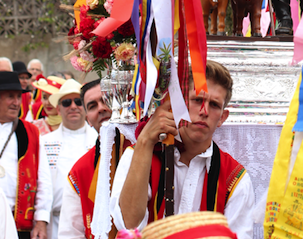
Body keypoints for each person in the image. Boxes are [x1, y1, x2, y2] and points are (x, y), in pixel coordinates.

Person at [110, 60, 255, 239]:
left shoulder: (235, 178)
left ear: (222, 118)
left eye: (214, 105)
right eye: (197, 100)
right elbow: (128, 225)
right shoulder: (138, 155)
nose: (204, 111)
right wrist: (145, 142)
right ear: (177, 104)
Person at [0, 71, 52, 239]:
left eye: (18, 97)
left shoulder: (30, 132)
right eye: (10, 97)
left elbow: (43, 179)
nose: (16, 103)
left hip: (19, 223)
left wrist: (41, 221)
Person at [42, 80, 97, 239]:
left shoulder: (99, 141)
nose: (73, 106)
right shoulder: (45, 142)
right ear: (58, 109)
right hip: (53, 223)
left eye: (78, 102)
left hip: (91, 219)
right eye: (66, 102)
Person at [58, 80, 112, 239]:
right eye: (92, 106)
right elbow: (70, 233)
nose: (101, 108)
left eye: (105, 100)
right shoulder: (79, 171)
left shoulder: (147, 149)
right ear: (88, 119)